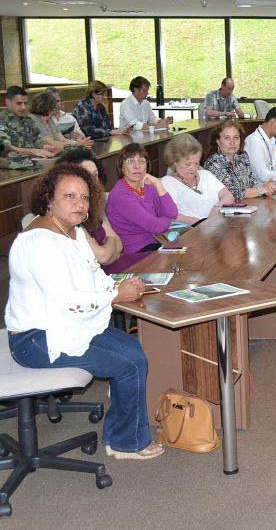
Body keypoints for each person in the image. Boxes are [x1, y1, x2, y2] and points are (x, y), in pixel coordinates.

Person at [5, 162, 164, 460]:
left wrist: (118, 286)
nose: (79, 204)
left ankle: (121, 435)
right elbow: (68, 300)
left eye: (84, 197)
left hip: (62, 325)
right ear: (49, 199)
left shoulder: (72, 231)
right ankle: (127, 442)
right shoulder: (39, 243)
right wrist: (116, 295)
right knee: (128, 363)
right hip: (36, 340)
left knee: (131, 348)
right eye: (69, 196)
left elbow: (92, 275)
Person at [55, 148, 124, 268]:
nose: (93, 180)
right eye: (86, 174)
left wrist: (109, 247)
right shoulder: (70, 214)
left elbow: (119, 245)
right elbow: (103, 257)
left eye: (95, 175)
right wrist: (110, 242)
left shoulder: (90, 208)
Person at [105, 143, 178, 256]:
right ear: (121, 167)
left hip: (157, 241)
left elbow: (172, 213)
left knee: (190, 249)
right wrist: (166, 219)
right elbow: (156, 226)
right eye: (130, 161)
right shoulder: (120, 195)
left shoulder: (148, 186)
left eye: (141, 161)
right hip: (136, 250)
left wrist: (158, 183)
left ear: (147, 166)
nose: (137, 166)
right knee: (180, 259)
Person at [161, 133, 235, 224]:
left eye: (196, 163)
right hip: (191, 232)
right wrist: (202, 224)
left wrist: (217, 208)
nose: (193, 168)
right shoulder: (168, 183)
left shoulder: (206, 175)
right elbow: (173, 215)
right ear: (174, 162)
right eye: (188, 164)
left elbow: (228, 196)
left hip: (217, 226)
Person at [204, 120, 276, 201]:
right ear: (218, 141)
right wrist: (261, 190)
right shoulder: (213, 163)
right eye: (227, 138)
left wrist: (265, 186)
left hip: (247, 205)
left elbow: (253, 182)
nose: (232, 142)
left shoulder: (242, 157)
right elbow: (232, 193)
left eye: (236, 138)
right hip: (223, 210)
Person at [0, 86, 54, 158]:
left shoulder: (28, 120)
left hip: (33, 160)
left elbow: (38, 139)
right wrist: (32, 151)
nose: (23, 107)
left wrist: (44, 145)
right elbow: (5, 148)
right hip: (13, 165)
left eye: (25, 103)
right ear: (8, 102)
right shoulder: (2, 120)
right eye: (19, 103)